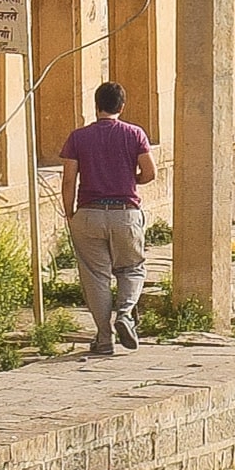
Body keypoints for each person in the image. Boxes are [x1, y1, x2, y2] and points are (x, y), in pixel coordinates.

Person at [61, 82, 156, 356]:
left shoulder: (78, 137)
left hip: (89, 213)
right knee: (132, 269)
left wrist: (69, 213)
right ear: (122, 107)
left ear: (96, 106)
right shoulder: (134, 134)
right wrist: (131, 180)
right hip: (125, 212)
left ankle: (104, 339)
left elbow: (69, 180)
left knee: (96, 277)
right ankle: (125, 314)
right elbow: (150, 173)